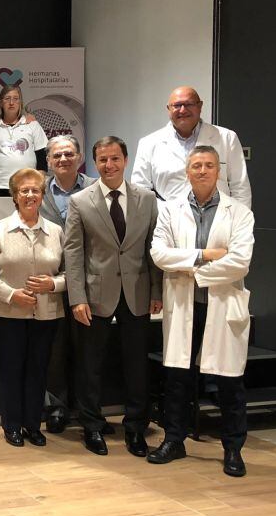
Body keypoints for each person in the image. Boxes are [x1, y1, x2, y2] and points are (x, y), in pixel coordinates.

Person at [148, 146, 254, 478]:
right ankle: (174, 441)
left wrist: (193, 270)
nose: (203, 170)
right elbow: (159, 254)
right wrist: (206, 256)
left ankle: (233, 448)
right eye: (197, 165)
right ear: (187, 171)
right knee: (178, 379)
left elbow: (239, 263)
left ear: (218, 171)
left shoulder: (240, 212)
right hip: (184, 306)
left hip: (221, 307)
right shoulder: (170, 210)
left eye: (209, 165)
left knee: (228, 382)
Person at [64, 137, 162, 458]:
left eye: (115, 159)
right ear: (95, 163)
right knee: (90, 365)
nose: (109, 165)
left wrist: (157, 291)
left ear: (126, 160)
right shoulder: (80, 201)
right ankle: (92, 426)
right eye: (103, 160)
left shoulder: (147, 200)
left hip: (137, 293)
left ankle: (136, 428)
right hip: (94, 295)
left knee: (137, 365)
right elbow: (74, 252)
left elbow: (152, 249)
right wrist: (77, 297)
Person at [0, 168, 66, 447]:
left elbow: (69, 274)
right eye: (24, 191)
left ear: (42, 195)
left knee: (38, 370)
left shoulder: (56, 231)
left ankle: (32, 425)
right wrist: (11, 294)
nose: (30, 195)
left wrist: (53, 285)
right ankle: (12, 426)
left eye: (35, 190)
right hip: (8, 314)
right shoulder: (0, 229)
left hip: (46, 314)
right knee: (11, 370)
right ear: (15, 197)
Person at [38, 135, 95, 434]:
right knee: (55, 349)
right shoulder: (39, 192)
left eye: (69, 154)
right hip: (51, 280)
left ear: (79, 156)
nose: (63, 159)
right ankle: (57, 407)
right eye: (57, 155)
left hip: (87, 282)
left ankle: (89, 412)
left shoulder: (94, 189)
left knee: (88, 350)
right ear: (48, 160)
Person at [132, 86, 252, 208]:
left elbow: (240, 188)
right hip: (167, 221)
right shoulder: (148, 143)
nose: (183, 110)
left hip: (218, 218)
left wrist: (239, 223)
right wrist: (166, 213)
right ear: (168, 109)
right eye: (177, 105)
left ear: (200, 106)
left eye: (189, 104)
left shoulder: (227, 138)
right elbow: (140, 190)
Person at [0, 84, 48, 195]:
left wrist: (39, 185)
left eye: (15, 98)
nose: (11, 102)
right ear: (0, 102)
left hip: (27, 185)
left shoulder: (32, 125)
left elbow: (42, 158)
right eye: (7, 98)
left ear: (20, 102)